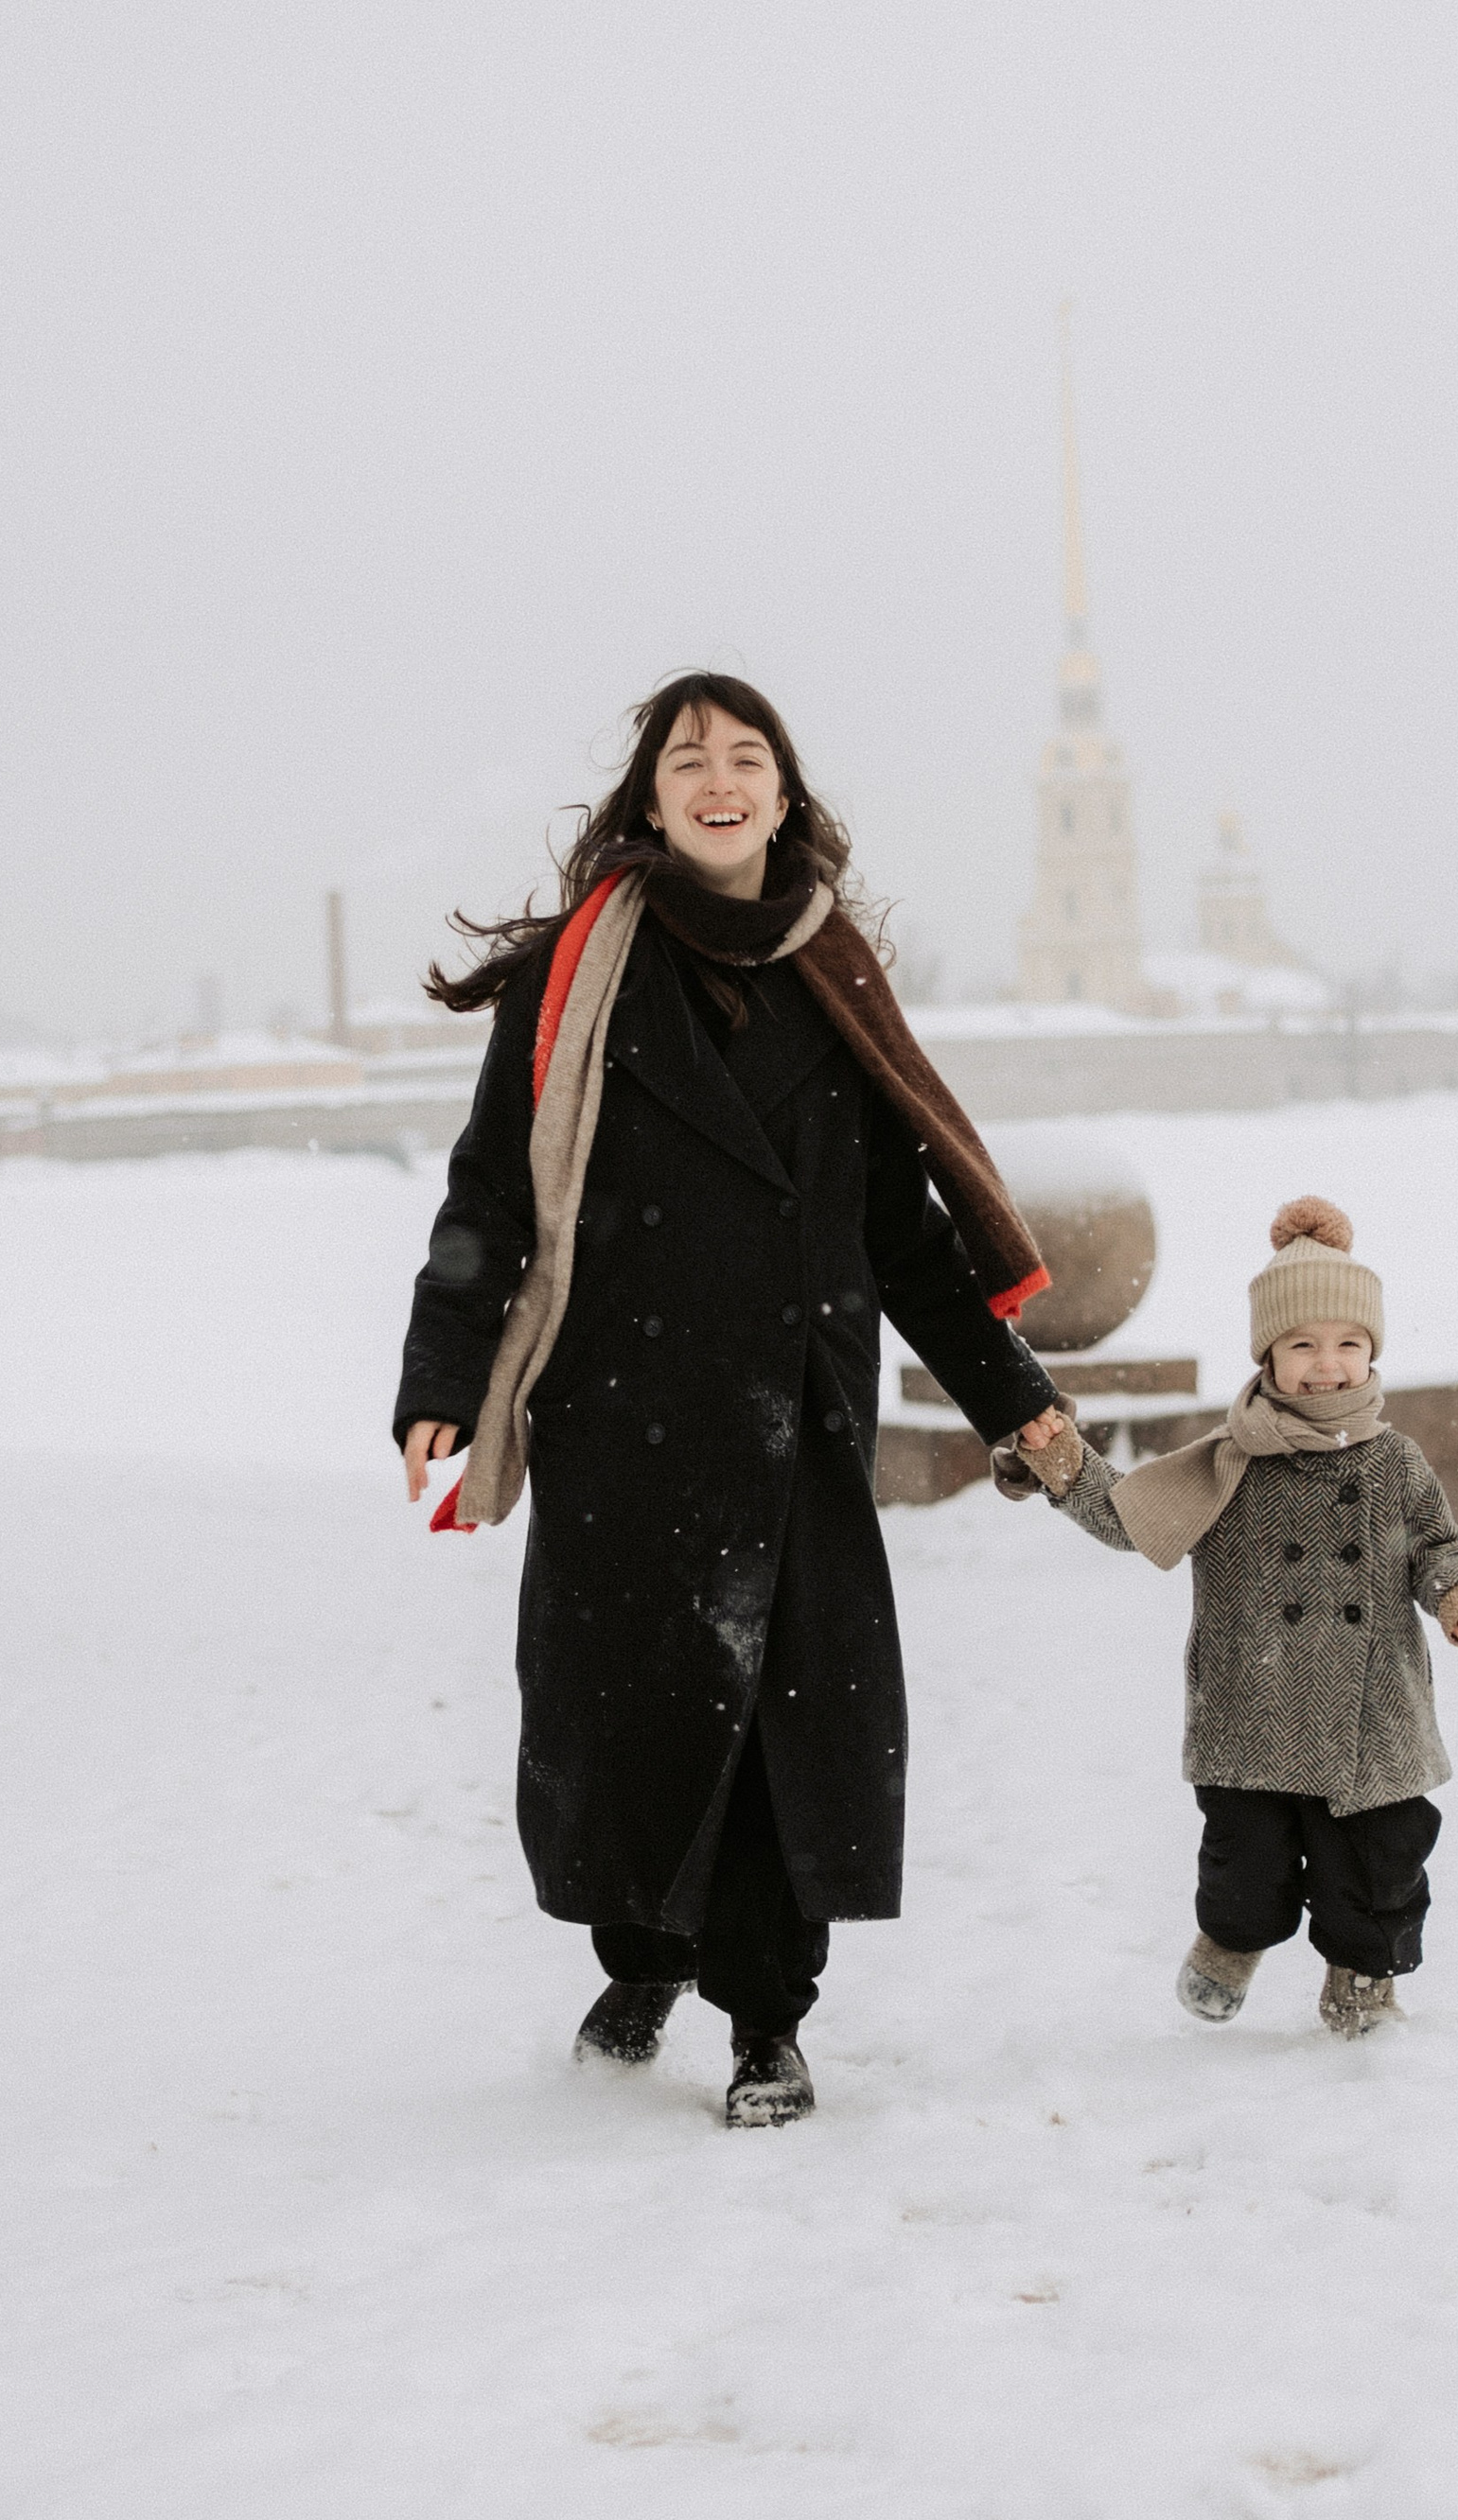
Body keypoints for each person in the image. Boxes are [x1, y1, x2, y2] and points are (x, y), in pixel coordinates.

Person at [395, 672, 1065, 2126]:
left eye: (745, 757)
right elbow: (491, 1190)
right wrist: (444, 1377)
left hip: (795, 1417)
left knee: (784, 1721)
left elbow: (905, 1235)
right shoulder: (573, 977)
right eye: (688, 757)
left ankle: (770, 2020)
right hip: (621, 1411)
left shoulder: (837, 979)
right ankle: (643, 1954)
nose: (719, 778)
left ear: (782, 793)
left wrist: (1015, 1399)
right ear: (650, 797)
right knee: (627, 1716)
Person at [996, 1195, 1458, 2037]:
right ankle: (1231, 1943)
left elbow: (1439, 1545)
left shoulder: (1395, 1462)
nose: (1328, 1366)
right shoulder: (1230, 1465)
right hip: (1254, 1702)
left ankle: (1362, 1980)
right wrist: (1057, 1457)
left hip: (1371, 1719)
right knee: (1247, 1861)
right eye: (1302, 1345)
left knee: (1378, 1865)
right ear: (1268, 1354)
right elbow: (1128, 1516)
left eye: (1348, 1345)